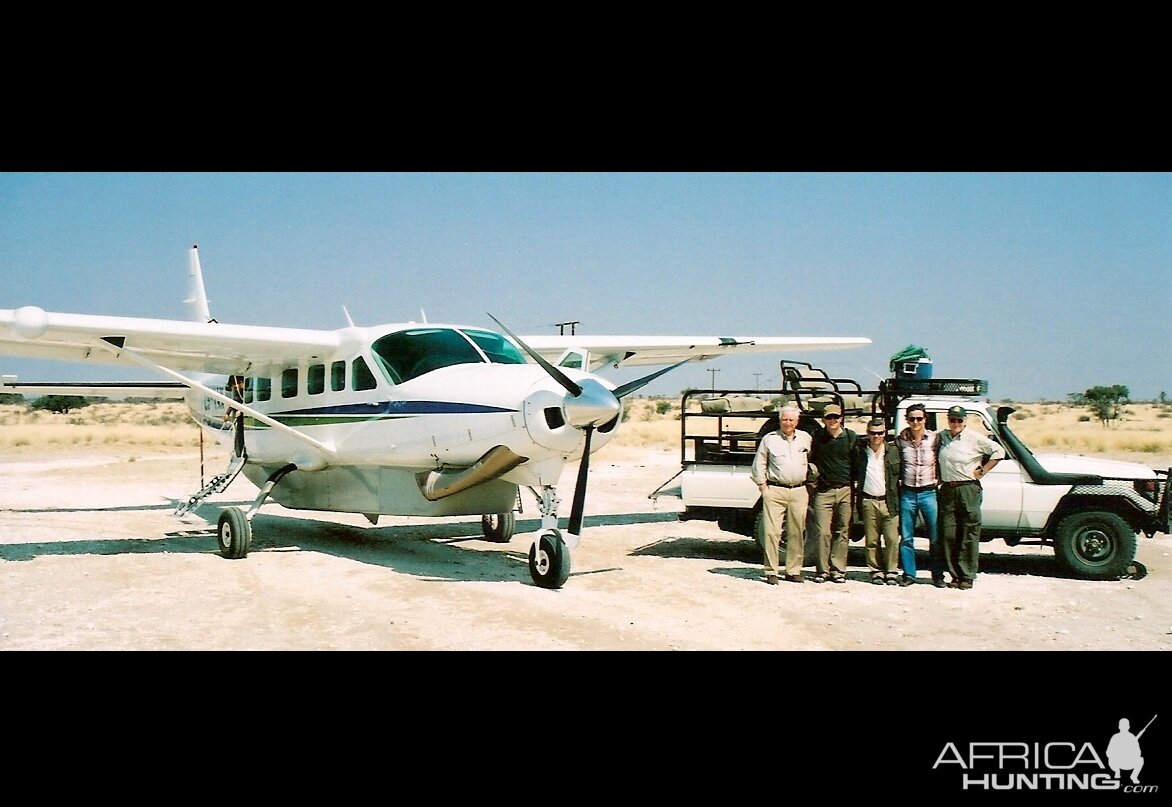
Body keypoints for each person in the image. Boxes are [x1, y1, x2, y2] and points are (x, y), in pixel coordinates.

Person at [937, 405, 1004, 589]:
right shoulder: (942, 436)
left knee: (969, 533)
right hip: (948, 489)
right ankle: (955, 575)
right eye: (952, 419)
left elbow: (999, 451)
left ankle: (967, 575)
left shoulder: (974, 438)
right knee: (949, 533)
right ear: (948, 420)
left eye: (959, 420)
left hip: (968, 488)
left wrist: (983, 470)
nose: (956, 423)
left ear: (965, 421)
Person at [751, 404, 811, 585]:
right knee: (772, 532)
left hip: (799, 491)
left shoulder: (806, 439)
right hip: (775, 490)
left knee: (797, 532)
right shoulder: (770, 439)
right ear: (779, 420)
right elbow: (759, 463)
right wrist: (763, 487)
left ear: (797, 421)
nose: (788, 423)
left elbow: (813, 460)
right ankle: (771, 571)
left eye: (791, 420)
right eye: (784, 419)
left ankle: (793, 570)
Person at [895, 402, 942, 587]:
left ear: (925, 419)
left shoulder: (935, 439)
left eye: (919, 418)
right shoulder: (901, 441)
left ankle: (937, 575)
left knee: (935, 536)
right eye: (912, 418)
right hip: (907, 493)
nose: (916, 422)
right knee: (906, 537)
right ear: (907, 420)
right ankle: (909, 574)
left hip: (928, 493)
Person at [809, 403, 856, 583]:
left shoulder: (850, 437)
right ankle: (822, 571)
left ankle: (838, 570)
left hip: (845, 490)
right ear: (823, 419)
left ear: (841, 418)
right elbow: (811, 461)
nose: (833, 420)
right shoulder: (818, 437)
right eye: (829, 417)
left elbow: (856, 463)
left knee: (842, 531)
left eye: (836, 417)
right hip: (823, 492)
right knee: (822, 532)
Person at [851, 417, 901, 585]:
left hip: (889, 501)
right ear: (868, 433)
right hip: (868, 500)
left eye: (880, 433)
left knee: (892, 539)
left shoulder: (894, 451)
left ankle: (892, 571)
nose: (876, 437)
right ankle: (876, 571)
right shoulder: (860, 451)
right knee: (872, 539)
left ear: (885, 433)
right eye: (873, 433)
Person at [1106, 717, 1144, 783]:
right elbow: (1108, 752)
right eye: (1122, 726)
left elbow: (1138, 753)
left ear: (1128, 727)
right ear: (1119, 727)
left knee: (1141, 760)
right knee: (1112, 757)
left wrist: (1130, 753)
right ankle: (1117, 772)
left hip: (1128, 762)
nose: (1124, 727)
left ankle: (1134, 776)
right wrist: (1118, 753)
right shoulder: (1115, 737)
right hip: (1116, 763)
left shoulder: (1132, 737)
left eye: (1125, 726)